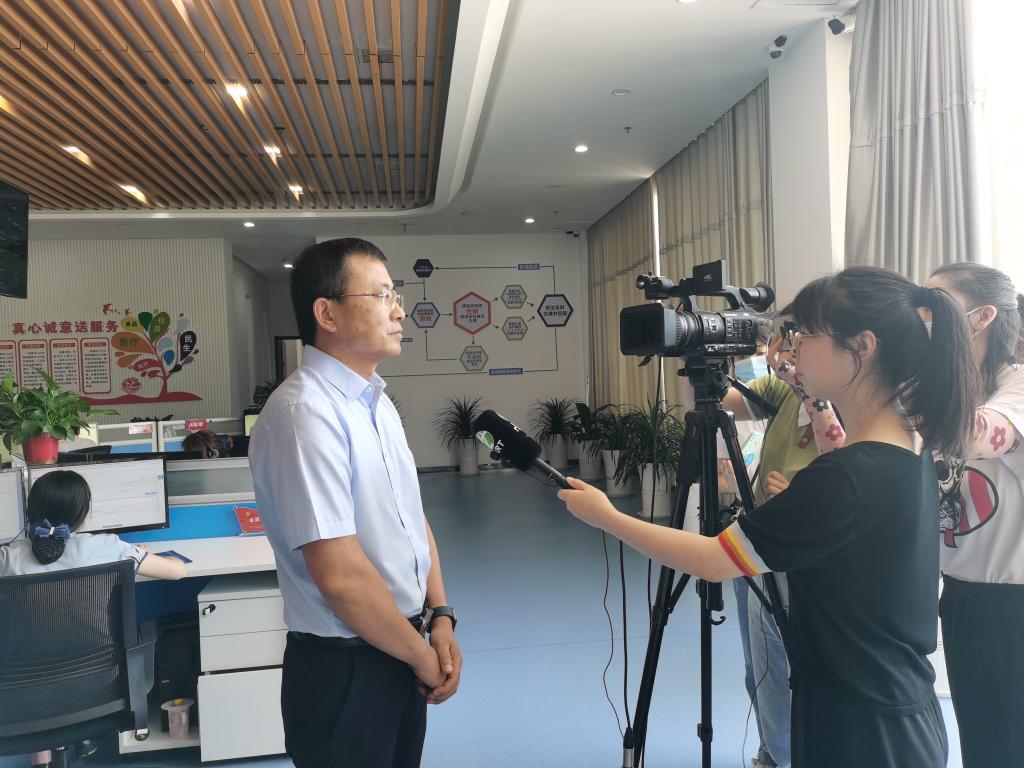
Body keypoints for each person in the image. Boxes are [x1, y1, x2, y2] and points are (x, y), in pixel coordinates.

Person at [558, 266, 980, 768]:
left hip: (860, 730)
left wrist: (607, 516)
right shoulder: (909, 448)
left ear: (862, 346)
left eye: (807, 334)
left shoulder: (845, 478)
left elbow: (714, 559)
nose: (794, 348)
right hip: (899, 709)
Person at [249, 238, 461, 768]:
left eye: (396, 295)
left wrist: (440, 615)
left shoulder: (376, 403)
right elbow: (341, 577)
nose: (398, 310)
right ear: (327, 313)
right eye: (381, 295)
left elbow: (412, 520)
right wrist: (423, 658)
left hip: (402, 644)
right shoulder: (303, 414)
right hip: (345, 667)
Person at [722, 318, 846, 768]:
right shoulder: (781, 392)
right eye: (791, 338)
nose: (793, 349)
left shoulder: (843, 403)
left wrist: (803, 494)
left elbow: (851, 467)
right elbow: (719, 402)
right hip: (759, 534)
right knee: (760, 665)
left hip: (804, 547)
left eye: (804, 339)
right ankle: (773, 750)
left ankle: (790, 754)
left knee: (787, 664)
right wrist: (711, 357)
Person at [0, 469, 185, 768]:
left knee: (39, 661)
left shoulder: (7, 559)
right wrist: (148, 554)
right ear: (83, 515)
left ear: (30, 513)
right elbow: (177, 571)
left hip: (25, 697)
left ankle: (42, 759)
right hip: (101, 687)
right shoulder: (109, 548)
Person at [925, 263, 1024, 768]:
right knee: (983, 744)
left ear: (982, 317)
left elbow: (977, 435)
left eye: (936, 306)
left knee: (1007, 745)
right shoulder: (955, 391)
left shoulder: (1016, 385)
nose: (923, 318)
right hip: (963, 595)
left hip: (1012, 605)